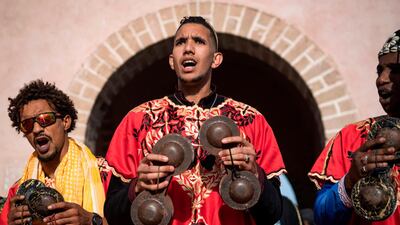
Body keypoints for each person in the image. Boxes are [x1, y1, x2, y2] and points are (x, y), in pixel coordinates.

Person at [104, 16, 286, 225]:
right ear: (172, 61)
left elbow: (273, 214)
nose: (188, 48)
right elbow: (112, 213)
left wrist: (255, 174)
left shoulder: (251, 120)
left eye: (199, 41)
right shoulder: (138, 120)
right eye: (181, 42)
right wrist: (137, 187)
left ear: (216, 59)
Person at [308, 30, 400, 225]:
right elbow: (322, 216)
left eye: (395, 69)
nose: (381, 79)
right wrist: (350, 181)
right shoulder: (351, 137)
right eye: (379, 70)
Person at [0, 80, 106, 225]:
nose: (36, 129)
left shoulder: (104, 175)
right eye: (27, 124)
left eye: (45, 119)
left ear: (65, 122)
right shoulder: (18, 192)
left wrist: (91, 220)